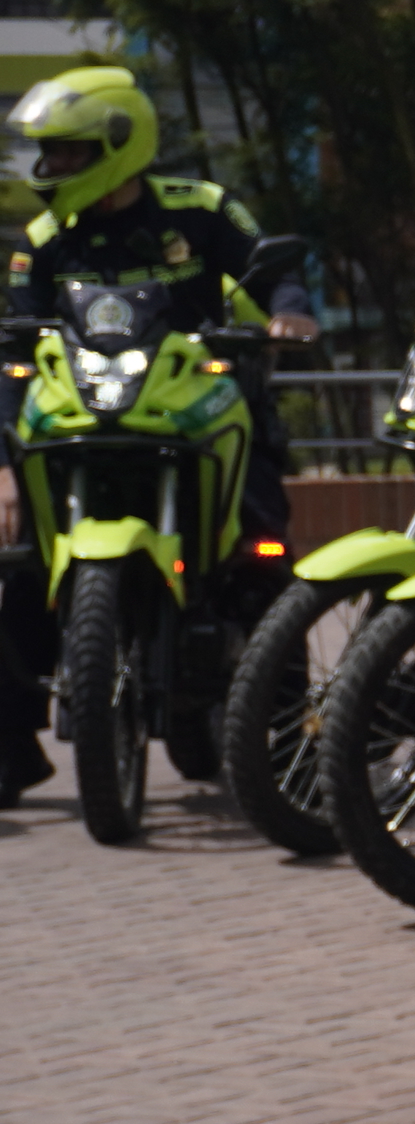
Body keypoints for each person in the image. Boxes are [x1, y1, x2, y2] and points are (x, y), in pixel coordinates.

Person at [4, 64, 321, 792]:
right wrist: (1, 465)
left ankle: (290, 746)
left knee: (263, 551)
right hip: (84, 419)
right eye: (49, 152)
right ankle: (11, 745)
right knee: (25, 562)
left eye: (69, 151)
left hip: (200, 409)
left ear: (119, 143)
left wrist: (290, 311)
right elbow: (16, 351)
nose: (53, 166)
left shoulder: (200, 209)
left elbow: (275, 271)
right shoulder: (45, 240)